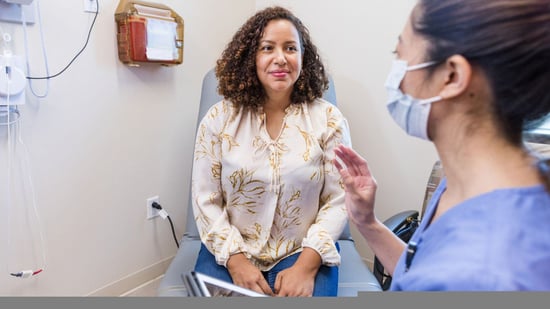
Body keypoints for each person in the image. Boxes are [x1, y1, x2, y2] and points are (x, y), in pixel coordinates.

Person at [334, 0, 550, 290]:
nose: (395, 79)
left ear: (452, 76)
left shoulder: (487, 271)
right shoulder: (465, 183)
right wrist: (367, 223)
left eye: (400, 56)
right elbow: (420, 275)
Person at [191, 6, 352, 297]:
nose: (280, 58)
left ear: (303, 57)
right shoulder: (218, 119)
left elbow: (339, 199)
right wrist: (235, 260)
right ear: (250, 56)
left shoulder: (329, 120)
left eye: (290, 48)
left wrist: (307, 266)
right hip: (231, 249)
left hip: (303, 249)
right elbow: (206, 199)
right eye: (267, 48)